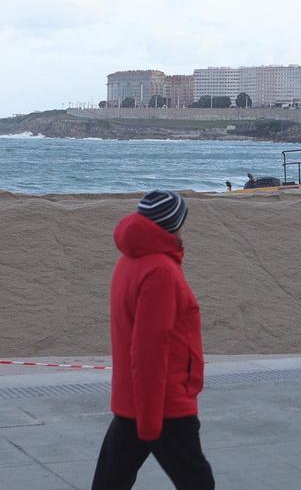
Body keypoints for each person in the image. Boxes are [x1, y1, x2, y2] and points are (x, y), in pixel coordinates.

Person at [92, 190, 214, 489]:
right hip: (162, 402)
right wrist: (150, 421)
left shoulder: (130, 260)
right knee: (197, 481)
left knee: (112, 479)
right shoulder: (160, 270)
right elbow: (149, 348)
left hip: (134, 398)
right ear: (173, 224)